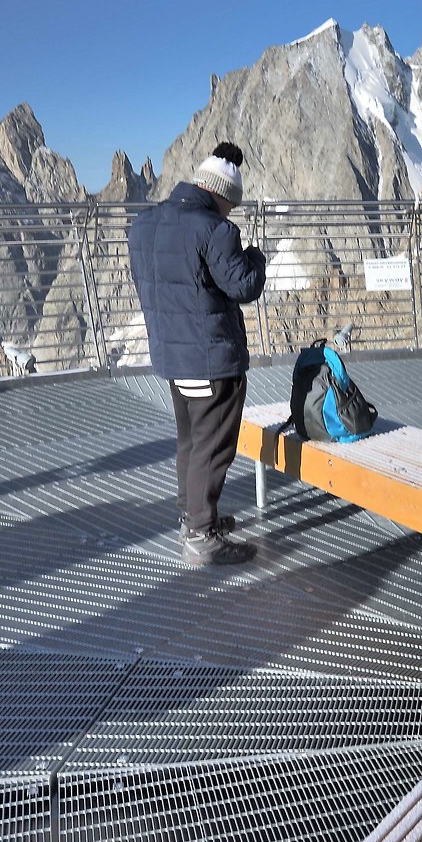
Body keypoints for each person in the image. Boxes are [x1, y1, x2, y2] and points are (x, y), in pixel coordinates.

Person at [129, 143, 267, 566]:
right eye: (230, 205)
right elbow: (243, 285)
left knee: (191, 442)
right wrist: (256, 257)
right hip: (211, 359)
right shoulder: (215, 230)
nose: (229, 214)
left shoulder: (145, 224)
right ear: (220, 194)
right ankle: (202, 538)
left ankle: (193, 519)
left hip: (173, 355)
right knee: (214, 446)